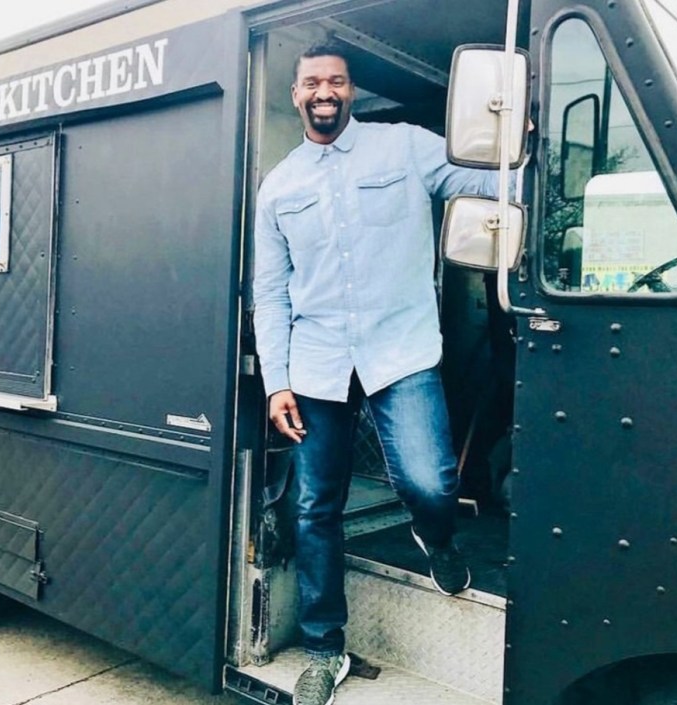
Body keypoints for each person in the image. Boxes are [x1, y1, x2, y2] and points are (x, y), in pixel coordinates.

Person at [252, 41, 511, 705]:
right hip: (316, 365)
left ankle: (436, 535)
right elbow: (271, 293)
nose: (325, 92)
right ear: (296, 94)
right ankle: (325, 648)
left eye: (336, 81)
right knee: (316, 507)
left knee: (430, 482)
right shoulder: (278, 186)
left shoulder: (405, 147)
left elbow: (485, 185)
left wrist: (522, 149)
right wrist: (277, 381)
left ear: (351, 90)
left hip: (401, 352)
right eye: (313, 82)